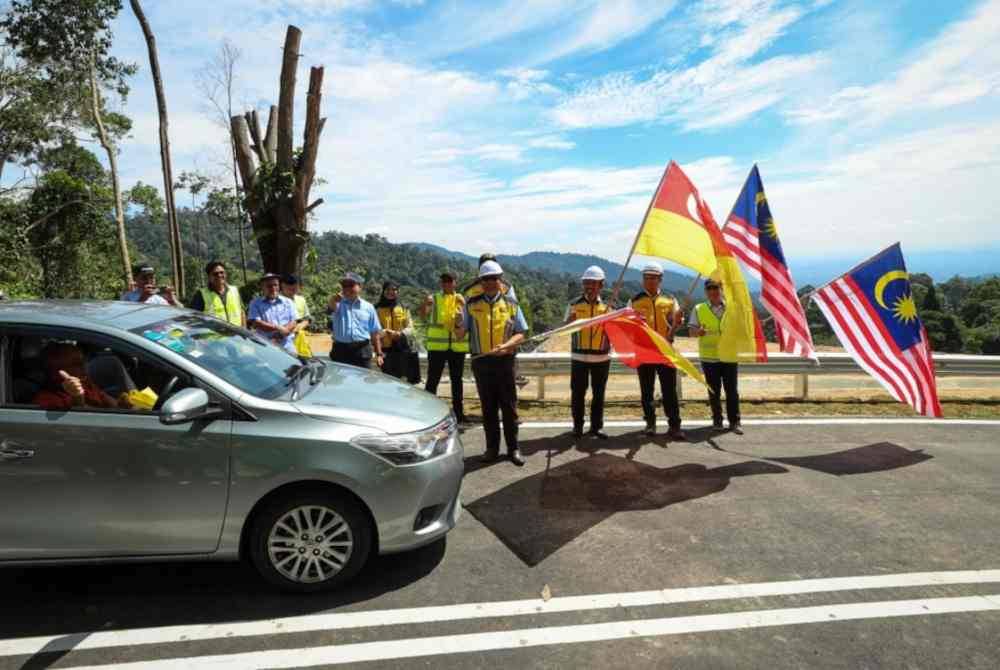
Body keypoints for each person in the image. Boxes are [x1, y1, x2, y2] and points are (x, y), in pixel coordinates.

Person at [454, 260, 528, 466]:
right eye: (485, 279)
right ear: (480, 281)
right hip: (482, 362)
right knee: (488, 408)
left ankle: (513, 449)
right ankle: (491, 449)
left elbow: (521, 333)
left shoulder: (512, 304)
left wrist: (507, 345)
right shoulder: (471, 304)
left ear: (500, 280)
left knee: (509, 407)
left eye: (493, 279)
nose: (490, 283)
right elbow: (460, 335)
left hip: (505, 362)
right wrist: (457, 321)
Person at [629, 262, 685, 439]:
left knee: (669, 390)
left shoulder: (670, 299)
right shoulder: (634, 300)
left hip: (665, 350)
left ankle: (674, 426)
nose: (649, 281)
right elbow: (627, 326)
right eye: (646, 277)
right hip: (644, 351)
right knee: (647, 390)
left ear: (661, 279)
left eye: (653, 278)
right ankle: (650, 423)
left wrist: (677, 323)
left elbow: (676, 323)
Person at [690, 278, 742, 434]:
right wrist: (698, 332)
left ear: (722, 289)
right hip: (709, 357)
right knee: (714, 392)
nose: (713, 291)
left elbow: (741, 328)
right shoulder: (699, 308)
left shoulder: (732, 308)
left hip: (729, 356)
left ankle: (735, 422)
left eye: (716, 288)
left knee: (732, 391)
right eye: (710, 288)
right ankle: (717, 420)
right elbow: (691, 332)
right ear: (706, 291)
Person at [565, 265, 611, 439]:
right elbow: (563, 328)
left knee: (599, 394)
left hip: (602, 357)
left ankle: (596, 427)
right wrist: (569, 321)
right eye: (586, 283)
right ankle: (577, 426)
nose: (589, 286)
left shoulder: (609, 306)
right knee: (577, 394)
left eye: (593, 283)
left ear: (601, 285)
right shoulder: (573, 305)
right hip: (579, 357)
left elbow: (617, 332)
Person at [420, 271, 469, 423]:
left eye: (450, 281)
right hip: (437, 346)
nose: (446, 283)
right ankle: (427, 412)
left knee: (457, 381)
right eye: (444, 281)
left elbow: (467, 320)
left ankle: (459, 413)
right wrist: (425, 303)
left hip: (456, 346)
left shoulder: (461, 299)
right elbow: (423, 315)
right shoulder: (434, 298)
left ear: (455, 282)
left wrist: (464, 307)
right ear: (441, 283)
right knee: (432, 380)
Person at [33, 343, 131, 411]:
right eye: (76, 363)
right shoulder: (46, 399)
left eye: (83, 361)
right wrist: (77, 397)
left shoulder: (85, 383)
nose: (84, 366)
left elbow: (113, 405)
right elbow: (84, 420)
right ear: (56, 371)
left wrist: (122, 403)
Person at [327, 272, 384, 369]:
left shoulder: (368, 307)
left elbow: (374, 332)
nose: (347, 288)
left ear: (360, 287)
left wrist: (379, 354)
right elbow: (331, 307)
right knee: (339, 383)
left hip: (362, 351)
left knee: (361, 382)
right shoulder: (337, 304)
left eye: (351, 285)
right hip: (340, 351)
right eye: (344, 285)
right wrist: (333, 300)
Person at [247, 273, 298, 355]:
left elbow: (293, 322)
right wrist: (278, 328)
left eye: (275, 285)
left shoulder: (288, 302)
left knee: (295, 367)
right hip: (265, 346)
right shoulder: (255, 303)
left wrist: (278, 336)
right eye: (269, 286)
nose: (273, 288)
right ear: (262, 287)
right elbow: (257, 323)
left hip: (287, 346)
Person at [375, 281, 415, 381]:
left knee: (402, 381)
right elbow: (373, 330)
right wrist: (385, 332)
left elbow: (411, 327)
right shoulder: (377, 308)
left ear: (398, 291)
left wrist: (400, 334)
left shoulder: (404, 307)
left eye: (394, 289)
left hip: (402, 349)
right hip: (385, 350)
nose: (391, 292)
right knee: (386, 380)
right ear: (383, 291)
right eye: (388, 289)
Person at [190, 260, 244, 326]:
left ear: (225, 274)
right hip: (213, 336)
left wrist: (245, 333)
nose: (219, 275)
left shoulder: (234, 290)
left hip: (236, 334)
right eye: (215, 274)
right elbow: (193, 317)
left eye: (222, 272)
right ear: (209, 277)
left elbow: (242, 313)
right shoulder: (201, 294)